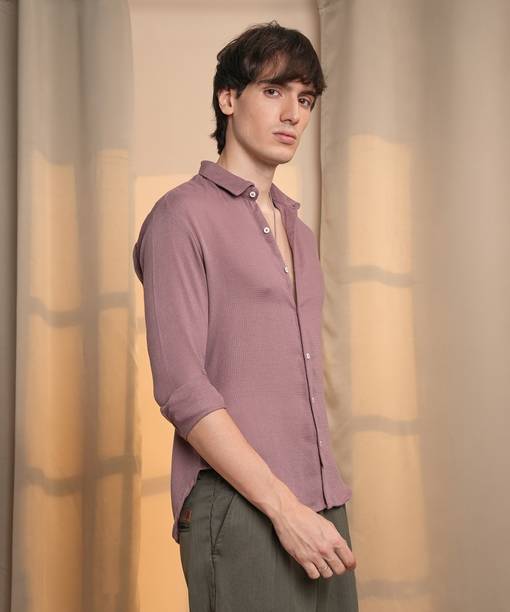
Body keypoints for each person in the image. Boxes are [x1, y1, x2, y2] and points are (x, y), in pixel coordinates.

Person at [132, 20, 359, 612]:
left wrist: (313, 505)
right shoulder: (180, 217)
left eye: (305, 99)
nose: (292, 114)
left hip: (322, 498)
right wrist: (283, 509)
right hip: (240, 503)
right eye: (273, 91)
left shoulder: (301, 233)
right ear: (228, 98)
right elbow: (182, 388)